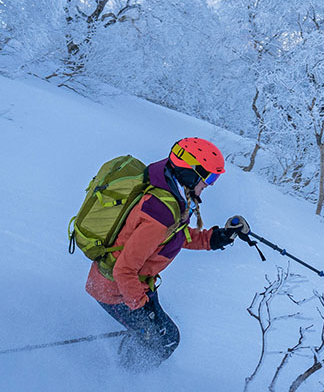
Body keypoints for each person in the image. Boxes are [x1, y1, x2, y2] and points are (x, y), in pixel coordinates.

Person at [84, 137, 250, 369]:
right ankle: (122, 381)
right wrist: (142, 309)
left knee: (160, 337)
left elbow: (174, 236)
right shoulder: (160, 214)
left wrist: (214, 238)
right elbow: (124, 270)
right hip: (113, 289)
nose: (210, 185)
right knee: (166, 340)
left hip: (134, 287)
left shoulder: (168, 190)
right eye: (209, 178)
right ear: (190, 173)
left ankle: (125, 363)